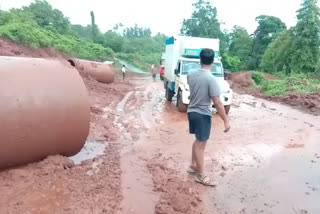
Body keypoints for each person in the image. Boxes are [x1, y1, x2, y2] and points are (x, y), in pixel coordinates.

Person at [187, 48, 230, 186]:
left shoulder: (191, 74)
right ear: (213, 61)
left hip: (191, 112)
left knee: (197, 141)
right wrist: (226, 120)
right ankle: (200, 175)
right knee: (201, 145)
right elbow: (217, 102)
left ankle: (194, 165)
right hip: (203, 114)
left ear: (200, 59)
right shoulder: (211, 79)